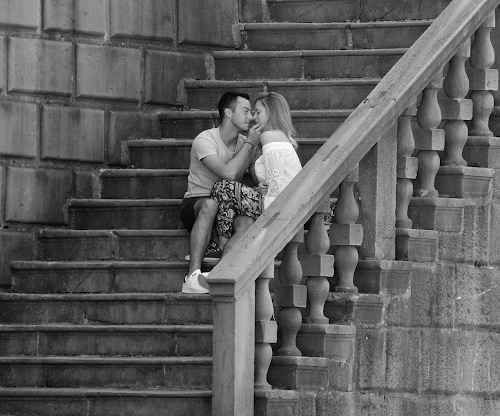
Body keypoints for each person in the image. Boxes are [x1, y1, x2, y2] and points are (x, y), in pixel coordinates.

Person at [180, 91, 261, 294]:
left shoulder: (246, 143)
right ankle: (192, 276)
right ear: (228, 112)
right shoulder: (205, 139)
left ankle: (221, 275)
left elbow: (258, 176)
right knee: (211, 203)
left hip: (229, 210)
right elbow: (228, 173)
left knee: (247, 221)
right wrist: (250, 144)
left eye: (252, 112)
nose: (251, 117)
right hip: (199, 203)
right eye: (245, 111)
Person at [211, 92, 302, 250]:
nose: (254, 117)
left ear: (271, 112)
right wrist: (261, 188)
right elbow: (276, 179)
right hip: (280, 201)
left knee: (223, 187)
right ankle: (222, 243)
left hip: (278, 207)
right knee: (226, 191)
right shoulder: (279, 136)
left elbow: (277, 185)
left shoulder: (268, 136)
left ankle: (221, 244)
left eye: (258, 112)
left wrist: (266, 191)